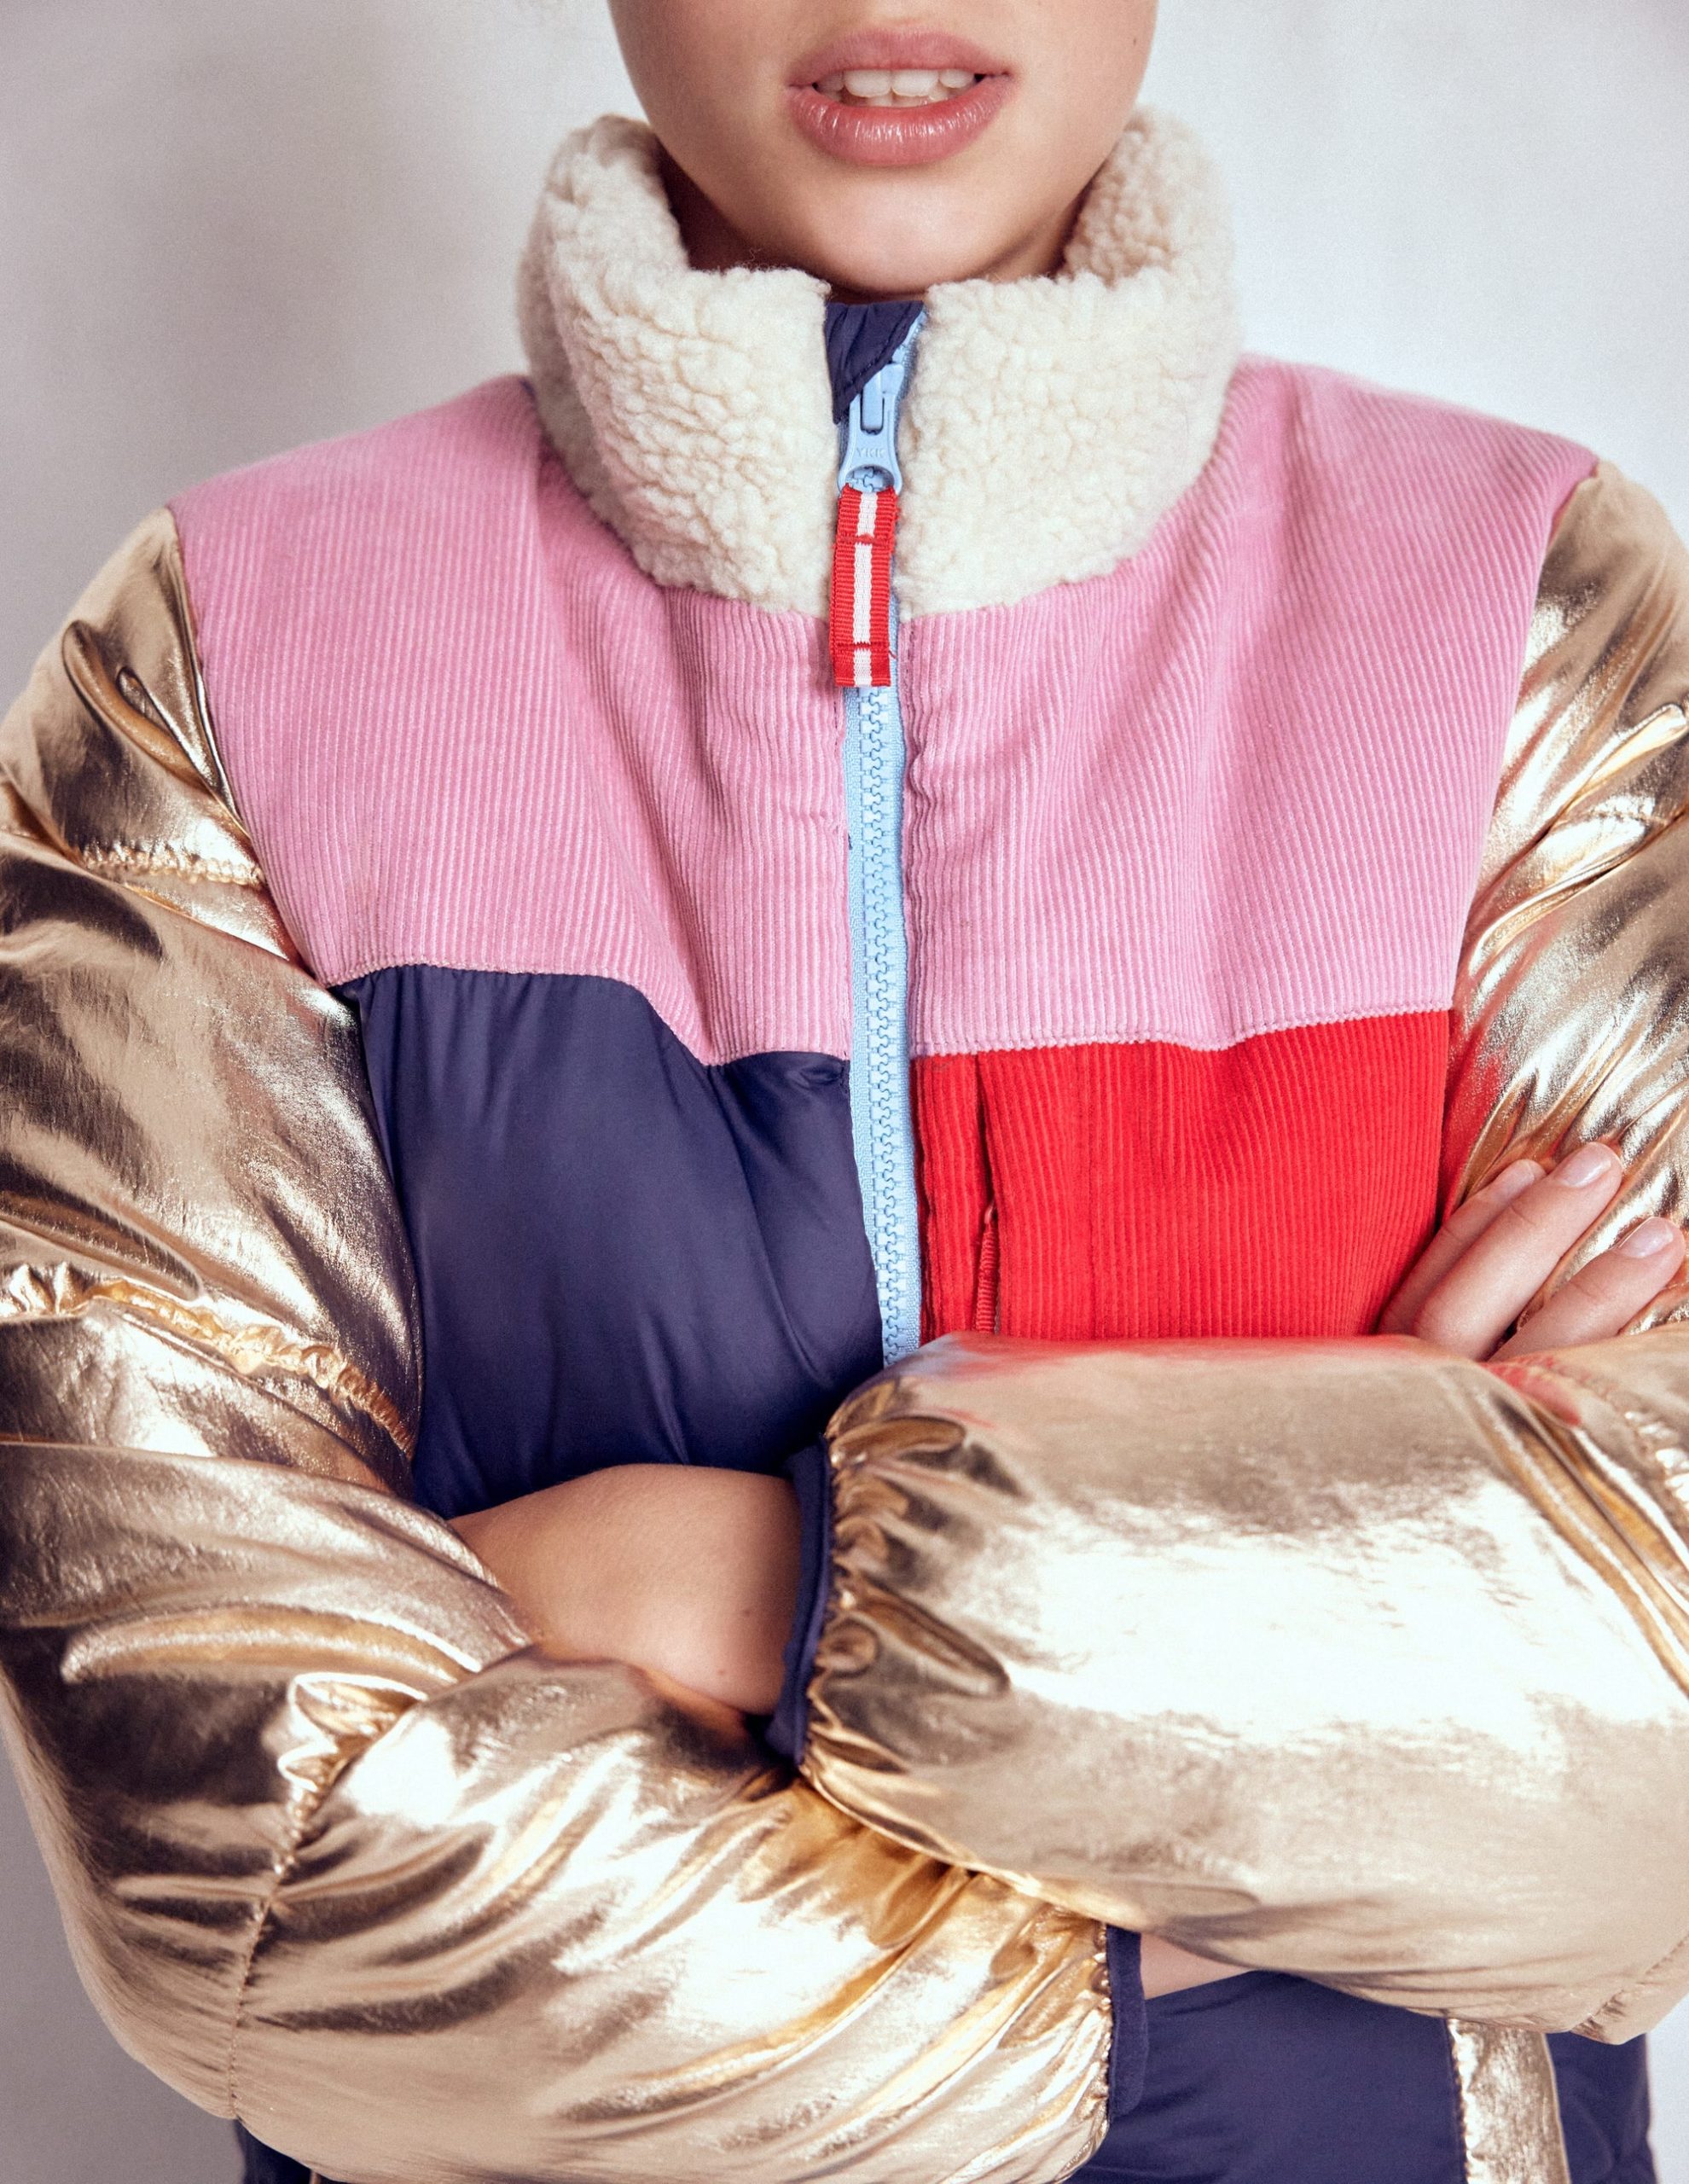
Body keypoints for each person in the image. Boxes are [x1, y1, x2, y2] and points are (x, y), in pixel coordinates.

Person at [2, 3, 1686, 2180]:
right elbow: (233, 1856)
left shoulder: (1522, 602)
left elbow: (1654, 1757)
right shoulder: (224, 651)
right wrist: (1313, 1742)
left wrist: (776, 1586)